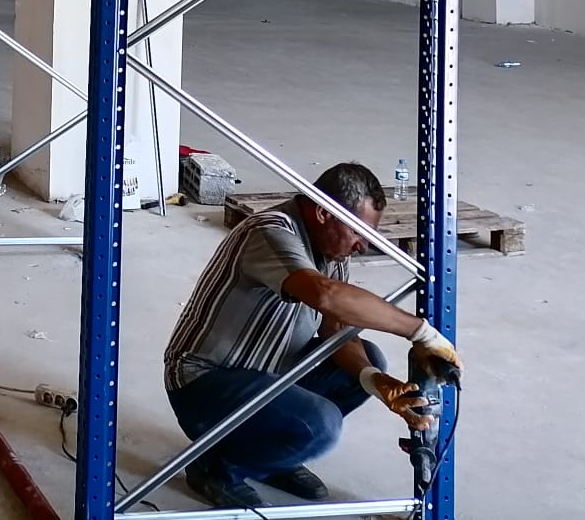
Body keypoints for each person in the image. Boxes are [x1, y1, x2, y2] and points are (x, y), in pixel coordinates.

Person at [162, 161, 462, 508]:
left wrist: (373, 380)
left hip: (267, 371)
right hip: (204, 382)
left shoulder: (332, 249)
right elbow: (325, 295)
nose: (363, 246)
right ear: (323, 213)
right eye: (358, 232)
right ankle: (215, 467)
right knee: (319, 425)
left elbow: (335, 327)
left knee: (368, 360)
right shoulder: (269, 232)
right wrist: (420, 332)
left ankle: (273, 457)